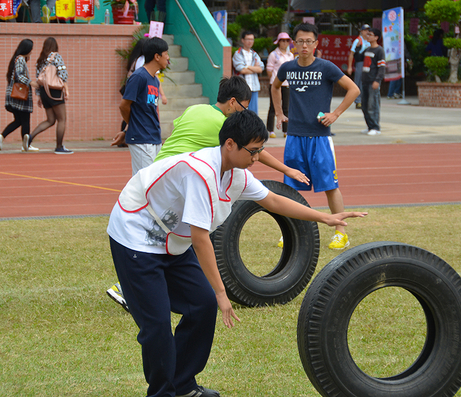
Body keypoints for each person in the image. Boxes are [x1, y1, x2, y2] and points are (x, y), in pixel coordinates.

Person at [107, 110, 367, 397]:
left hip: (170, 241)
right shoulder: (201, 172)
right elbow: (200, 237)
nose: (256, 158)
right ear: (229, 144)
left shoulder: (235, 175)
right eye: (253, 151)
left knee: (201, 306)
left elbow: (272, 200)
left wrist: (324, 218)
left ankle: (182, 385)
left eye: (260, 150)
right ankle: (162, 393)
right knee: (156, 325)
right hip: (136, 236)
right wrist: (221, 292)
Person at [107, 76, 309, 309]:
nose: (244, 112)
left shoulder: (195, 109)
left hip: (160, 171)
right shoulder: (221, 124)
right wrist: (287, 170)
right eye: (244, 105)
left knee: (170, 235)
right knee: (187, 235)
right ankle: (130, 289)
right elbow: (257, 151)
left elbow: (177, 129)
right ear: (233, 102)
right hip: (182, 179)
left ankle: (149, 287)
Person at [271, 23, 360, 250]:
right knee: (291, 186)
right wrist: (280, 113)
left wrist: (335, 114)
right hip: (294, 137)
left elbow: (354, 89)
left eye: (309, 41)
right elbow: (275, 87)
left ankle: (341, 233)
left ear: (316, 44)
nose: (304, 45)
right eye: (300, 41)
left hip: (320, 138)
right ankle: (289, 233)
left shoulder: (326, 67)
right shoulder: (287, 68)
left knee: (330, 185)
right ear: (294, 43)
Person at [118, 37, 169, 175]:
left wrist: (126, 130)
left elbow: (142, 110)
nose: (168, 58)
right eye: (166, 54)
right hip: (141, 138)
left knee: (153, 181)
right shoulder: (139, 77)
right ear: (157, 56)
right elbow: (124, 106)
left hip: (154, 137)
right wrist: (132, 125)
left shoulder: (154, 80)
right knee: (144, 182)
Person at [23, 37, 72, 154]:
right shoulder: (56, 56)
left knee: (50, 120)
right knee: (62, 119)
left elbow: (38, 80)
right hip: (55, 91)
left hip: (44, 92)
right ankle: (59, 146)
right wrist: (66, 89)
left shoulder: (40, 60)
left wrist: (39, 96)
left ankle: (30, 137)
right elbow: (63, 74)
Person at [0, 39, 39, 152]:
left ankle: (1, 136)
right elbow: (19, 76)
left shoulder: (17, 59)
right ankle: (26, 145)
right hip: (20, 96)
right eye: (31, 49)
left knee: (19, 121)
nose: (31, 52)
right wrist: (31, 82)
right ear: (27, 49)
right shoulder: (20, 59)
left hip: (14, 96)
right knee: (25, 120)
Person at [266, 32, 294, 139]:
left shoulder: (290, 55)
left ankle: (286, 130)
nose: (285, 43)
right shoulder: (273, 54)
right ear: (278, 42)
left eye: (287, 40)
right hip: (275, 84)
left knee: (286, 107)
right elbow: (269, 70)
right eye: (283, 40)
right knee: (273, 107)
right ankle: (270, 130)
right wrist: (274, 81)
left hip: (287, 84)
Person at [360, 28, 386, 136]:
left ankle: (375, 127)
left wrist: (377, 80)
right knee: (364, 105)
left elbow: (381, 67)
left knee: (372, 104)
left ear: (376, 37)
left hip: (373, 81)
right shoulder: (367, 49)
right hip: (365, 81)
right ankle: (369, 126)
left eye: (370, 34)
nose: (368, 36)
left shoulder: (379, 50)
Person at [232, 31, 264, 114]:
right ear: (242, 40)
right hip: (242, 87)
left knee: (253, 112)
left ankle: (253, 127)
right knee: (240, 111)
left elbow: (260, 69)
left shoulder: (255, 54)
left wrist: (247, 66)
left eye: (252, 39)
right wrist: (254, 68)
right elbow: (241, 69)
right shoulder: (238, 54)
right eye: (248, 39)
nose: (250, 41)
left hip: (254, 87)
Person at [347, 24, 371, 110]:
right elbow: (351, 54)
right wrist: (349, 67)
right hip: (360, 63)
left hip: (368, 63)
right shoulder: (358, 41)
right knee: (358, 81)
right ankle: (358, 101)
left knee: (366, 81)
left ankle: (365, 100)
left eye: (368, 30)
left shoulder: (369, 40)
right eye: (365, 30)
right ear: (361, 31)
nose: (367, 32)